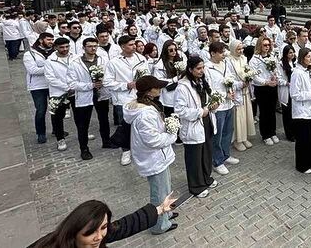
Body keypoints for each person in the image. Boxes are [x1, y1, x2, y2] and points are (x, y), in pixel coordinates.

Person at [120, 76, 178, 235]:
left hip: (159, 157)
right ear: (149, 91)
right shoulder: (145, 114)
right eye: (157, 86)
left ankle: (166, 214)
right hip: (153, 158)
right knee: (158, 193)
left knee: (165, 189)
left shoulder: (146, 105)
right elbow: (152, 140)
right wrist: (172, 135)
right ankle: (159, 225)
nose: (160, 89)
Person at [29, 196, 177, 247]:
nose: (99, 237)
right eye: (90, 232)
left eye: (104, 227)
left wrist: (160, 209)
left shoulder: (99, 235)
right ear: (74, 231)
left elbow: (126, 225)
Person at [174, 55, 218, 197]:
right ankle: (196, 186)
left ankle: (206, 178)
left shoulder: (201, 81)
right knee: (194, 157)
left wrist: (214, 104)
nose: (202, 70)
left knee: (206, 153)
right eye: (198, 68)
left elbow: (207, 98)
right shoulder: (182, 87)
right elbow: (180, 110)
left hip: (206, 122)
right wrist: (200, 112)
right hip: (193, 124)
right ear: (190, 69)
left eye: (203, 67)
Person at [104, 35, 148, 166]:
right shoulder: (114, 62)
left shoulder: (141, 58)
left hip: (140, 97)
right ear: (122, 47)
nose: (134, 46)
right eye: (130, 45)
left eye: (134, 44)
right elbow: (107, 82)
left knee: (141, 124)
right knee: (125, 125)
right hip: (124, 98)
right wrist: (126, 85)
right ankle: (126, 150)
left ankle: (140, 148)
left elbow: (147, 75)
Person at [67, 37, 112, 160]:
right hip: (84, 96)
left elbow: (109, 74)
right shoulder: (75, 63)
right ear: (84, 48)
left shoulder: (103, 60)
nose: (93, 48)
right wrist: (90, 85)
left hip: (101, 94)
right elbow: (72, 84)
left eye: (95, 46)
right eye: (90, 46)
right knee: (83, 124)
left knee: (104, 119)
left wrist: (103, 82)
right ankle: (84, 148)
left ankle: (106, 141)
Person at [204, 41, 239, 175]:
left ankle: (225, 155)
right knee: (217, 135)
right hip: (218, 107)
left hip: (229, 104)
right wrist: (225, 95)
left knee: (228, 131)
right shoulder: (207, 68)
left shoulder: (225, 64)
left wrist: (235, 87)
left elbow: (230, 79)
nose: (224, 54)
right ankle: (217, 161)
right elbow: (209, 89)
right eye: (221, 52)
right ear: (213, 53)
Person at [289, 48, 311, 174]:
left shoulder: (309, 71)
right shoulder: (297, 73)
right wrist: (310, 95)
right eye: (308, 56)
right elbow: (294, 94)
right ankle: (302, 165)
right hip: (302, 113)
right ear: (302, 58)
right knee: (304, 140)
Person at [24, 32, 55, 144]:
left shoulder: (54, 52)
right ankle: (41, 133)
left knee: (55, 109)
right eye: (48, 40)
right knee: (41, 110)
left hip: (52, 84)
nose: (51, 42)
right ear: (41, 40)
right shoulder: (30, 54)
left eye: (52, 40)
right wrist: (51, 68)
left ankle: (56, 130)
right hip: (37, 86)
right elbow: (32, 70)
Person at [250, 36, 280, 146]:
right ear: (260, 46)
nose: (267, 47)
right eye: (265, 45)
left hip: (272, 86)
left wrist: (275, 77)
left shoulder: (272, 56)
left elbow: (276, 69)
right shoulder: (255, 59)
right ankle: (265, 134)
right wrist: (265, 82)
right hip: (262, 88)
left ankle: (272, 132)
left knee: (272, 111)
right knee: (264, 111)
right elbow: (254, 76)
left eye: (268, 45)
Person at [44, 38, 72, 151]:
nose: (65, 49)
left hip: (75, 91)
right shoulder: (50, 61)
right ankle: (60, 139)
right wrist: (67, 87)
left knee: (80, 114)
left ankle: (84, 132)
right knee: (57, 117)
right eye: (61, 47)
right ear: (55, 47)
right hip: (58, 93)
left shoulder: (74, 57)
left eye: (66, 47)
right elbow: (50, 78)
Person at [227, 39, 255, 151]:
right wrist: (239, 84)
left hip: (246, 91)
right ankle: (237, 140)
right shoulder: (228, 61)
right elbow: (228, 78)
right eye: (238, 49)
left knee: (246, 115)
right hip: (237, 92)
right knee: (238, 117)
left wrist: (249, 78)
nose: (241, 51)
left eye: (242, 48)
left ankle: (244, 137)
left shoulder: (244, 58)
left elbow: (247, 70)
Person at [278, 45, 296, 142]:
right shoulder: (281, 64)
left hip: (294, 91)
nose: (292, 54)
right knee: (287, 114)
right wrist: (287, 83)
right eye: (290, 53)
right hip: (286, 91)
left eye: (293, 52)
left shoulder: (295, 62)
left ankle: (295, 131)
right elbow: (279, 78)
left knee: (294, 112)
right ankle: (289, 134)